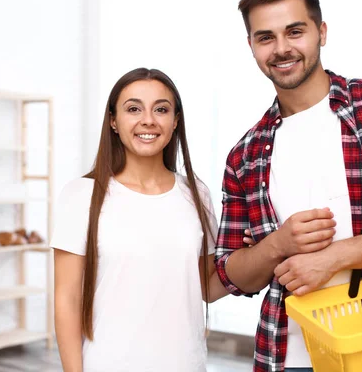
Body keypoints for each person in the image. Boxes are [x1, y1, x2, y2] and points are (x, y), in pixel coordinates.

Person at [214, 0, 362, 371]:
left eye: (295, 31)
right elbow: (230, 273)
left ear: (321, 32)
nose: (281, 49)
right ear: (251, 47)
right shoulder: (245, 156)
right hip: (288, 355)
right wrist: (277, 244)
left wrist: (336, 256)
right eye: (266, 37)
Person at [50, 67, 239, 372]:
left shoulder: (196, 193)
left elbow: (206, 285)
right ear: (113, 120)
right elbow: (67, 300)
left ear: (175, 120)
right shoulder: (81, 195)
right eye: (133, 109)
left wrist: (264, 252)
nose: (148, 120)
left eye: (161, 109)